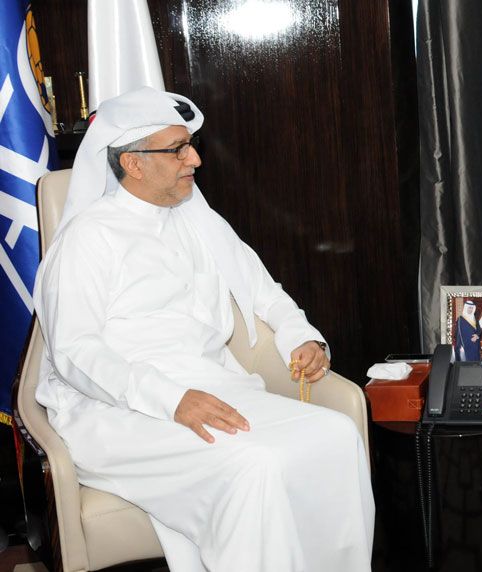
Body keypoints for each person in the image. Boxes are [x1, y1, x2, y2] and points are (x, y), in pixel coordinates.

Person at [34, 88, 375, 572]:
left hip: (215, 386)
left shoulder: (197, 220)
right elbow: (74, 352)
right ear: (132, 163)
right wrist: (170, 399)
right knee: (256, 464)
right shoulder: (87, 238)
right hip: (118, 408)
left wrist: (301, 335)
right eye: (178, 149)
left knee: (338, 434)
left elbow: (264, 290)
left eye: (190, 145)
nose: (194, 159)